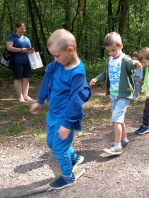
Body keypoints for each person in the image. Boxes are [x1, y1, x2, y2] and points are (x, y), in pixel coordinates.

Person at [30, 29, 91, 189]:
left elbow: (76, 101)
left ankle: (68, 177)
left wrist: (68, 123)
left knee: (59, 147)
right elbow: (47, 80)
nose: (55, 59)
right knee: (51, 142)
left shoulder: (77, 74)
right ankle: (74, 157)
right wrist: (40, 100)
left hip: (65, 117)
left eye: (57, 55)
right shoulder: (56, 65)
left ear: (70, 50)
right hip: (53, 113)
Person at [89, 32, 142, 155]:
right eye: (108, 51)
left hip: (123, 94)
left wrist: (135, 63)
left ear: (121, 46)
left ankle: (117, 146)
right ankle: (124, 139)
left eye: (113, 50)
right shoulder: (110, 60)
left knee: (115, 119)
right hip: (113, 95)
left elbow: (130, 64)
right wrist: (96, 78)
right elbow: (106, 73)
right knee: (120, 119)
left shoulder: (125, 59)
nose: (111, 53)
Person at [6, 22, 34, 102]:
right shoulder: (12, 36)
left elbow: (28, 49)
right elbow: (9, 48)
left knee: (26, 79)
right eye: (21, 29)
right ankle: (20, 96)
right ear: (16, 28)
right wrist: (22, 50)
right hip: (16, 61)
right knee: (18, 79)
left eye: (24, 29)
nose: (23, 30)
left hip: (27, 61)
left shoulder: (26, 38)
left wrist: (31, 50)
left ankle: (26, 96)